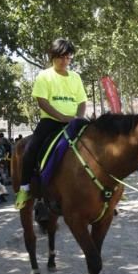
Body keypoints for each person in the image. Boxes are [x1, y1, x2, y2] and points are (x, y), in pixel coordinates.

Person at [15, 38, 87, 209]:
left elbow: (82, 101)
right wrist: (62, 117)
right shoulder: (44, 76)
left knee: (98, 143)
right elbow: (42, 102)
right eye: (61, 57)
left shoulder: (76, 77)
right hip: (50, 121)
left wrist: (78, 117)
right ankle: (24, 188)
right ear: (52, 56)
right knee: (30, 149)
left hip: (74, 121)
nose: (65, 61)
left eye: (68, 57)